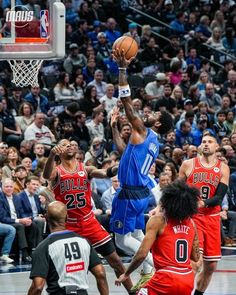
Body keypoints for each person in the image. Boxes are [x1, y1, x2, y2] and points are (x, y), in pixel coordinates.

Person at [110, 48, 173, 291]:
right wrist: (114, 127)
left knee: (122, 239)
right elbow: (123, 150)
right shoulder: (151, 139)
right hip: (139, 194)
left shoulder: (143, 130)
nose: (148, 113)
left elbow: (126, 101)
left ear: (156, 122)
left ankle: (151, 268)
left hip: (128, 194)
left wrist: (123, 69)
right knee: (136, 235)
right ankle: (148, 273)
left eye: (154, 113)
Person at [43, 139, 133, 293]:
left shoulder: (86, 169)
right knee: (80, 270)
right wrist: (51, 155)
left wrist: (124, 165)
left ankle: (133, 291)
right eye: (65, 144)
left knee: (116, 261)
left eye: (72, 144)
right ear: (59, 150)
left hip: (88, 222)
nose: (70, 145)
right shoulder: (57, 171)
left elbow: (106, 173)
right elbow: (46, 175)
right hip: (69, 226)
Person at [115, 180, 200, 295]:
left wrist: (126, 274)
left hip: (166, 278)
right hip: (187, 279)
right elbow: (195, 257)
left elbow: (141, 255)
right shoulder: (192, 224)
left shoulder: (159, 221)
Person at [179, 134, 230, 295]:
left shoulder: (223, 168)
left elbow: (219, 198)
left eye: (210, 142)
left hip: (213, 219)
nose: (206, 144)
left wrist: (203, 203)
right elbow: (177, 190)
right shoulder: (188, 164)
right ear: (200, 146)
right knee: (196, 262)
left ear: (217, 147)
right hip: (194, 218)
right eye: (203, 142)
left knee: (211, 266)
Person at [27, 201, 109, 295]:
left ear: (46, 218)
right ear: (67, 217)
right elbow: (101, 273)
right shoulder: (83, 241)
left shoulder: (43, 247)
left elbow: (37, 286)